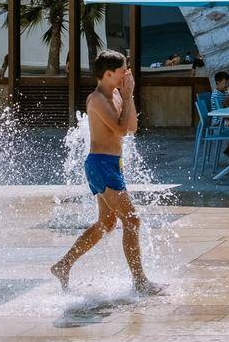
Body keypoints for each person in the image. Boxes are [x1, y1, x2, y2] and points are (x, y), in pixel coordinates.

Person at [50, 49, 159, 296]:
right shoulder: (97, 99)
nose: (127, 75)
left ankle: (63, 265)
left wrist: (128, 97)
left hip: (111, 164)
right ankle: (140, 282)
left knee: (106, 223)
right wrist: (129, 95)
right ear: (109, 74)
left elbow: (131, 128)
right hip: (100, 164)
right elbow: (120, 130)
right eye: (123, 72)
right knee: (132, 220)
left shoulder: (118, 96)